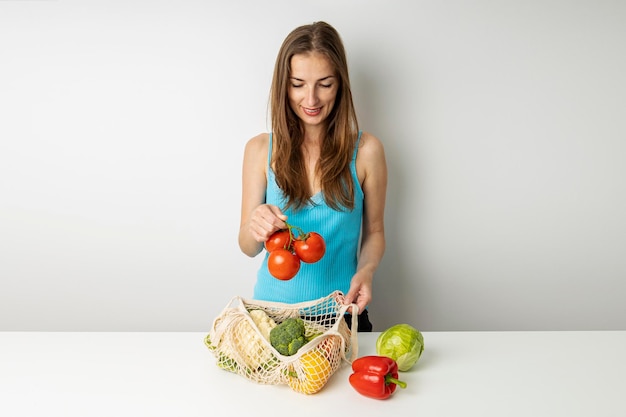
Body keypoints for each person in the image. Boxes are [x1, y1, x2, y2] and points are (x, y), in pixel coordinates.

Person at [238, 21, 387, 332]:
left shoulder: (368, 150)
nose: (311, 99)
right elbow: (248, 247)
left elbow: (374, 231)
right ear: (284, 85)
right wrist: (256, 223)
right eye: (298, 84)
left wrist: (367, 270)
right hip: (270, 317)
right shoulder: (259, 149)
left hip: (341, 317)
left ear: (341, 84)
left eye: (325, 83)